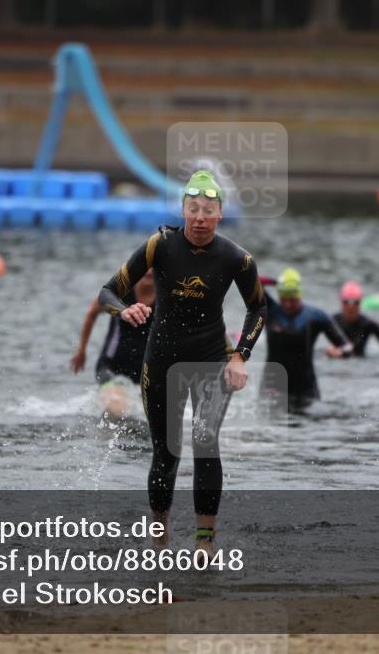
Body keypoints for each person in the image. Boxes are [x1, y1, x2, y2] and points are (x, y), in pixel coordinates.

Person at [97, 170, 266, 553]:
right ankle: (160, 532)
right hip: (161, 361)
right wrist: (123, 311)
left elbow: (258, 307)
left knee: (205, 441)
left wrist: (240, 356)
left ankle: (205, 539)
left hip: (211, 360)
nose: (201, 217)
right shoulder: (160, 246)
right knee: (166, 450)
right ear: (184, 211)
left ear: (220, 213)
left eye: (209, 210)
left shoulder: (236, 258)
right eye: (194, 209)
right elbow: (108, 292)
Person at [260, 268, 352, 410]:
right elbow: (252, 279)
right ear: (279, 296)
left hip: (305, 389)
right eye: (285, 298)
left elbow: (347, 347)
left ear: (300, 296)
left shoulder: (316, 317)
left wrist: (340, 353)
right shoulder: (270, 310)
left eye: (293, 299)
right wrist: (277, 282)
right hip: (272, 387)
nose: (289, 304)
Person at [71, 269, 155, 419]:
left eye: (155, 266)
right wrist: (81, 351)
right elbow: (92, 312)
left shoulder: (168, 295)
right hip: (111, 367)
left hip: (145, 373)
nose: (149, 271)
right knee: (117, 411)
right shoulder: (122, 290)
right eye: (146, 266)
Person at [330, 281, 379, 358]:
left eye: (355, 302)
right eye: (346, 302)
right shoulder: (332, 321)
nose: (350, 307)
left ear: (360, 303)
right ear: (341, 302)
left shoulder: (369, 324)